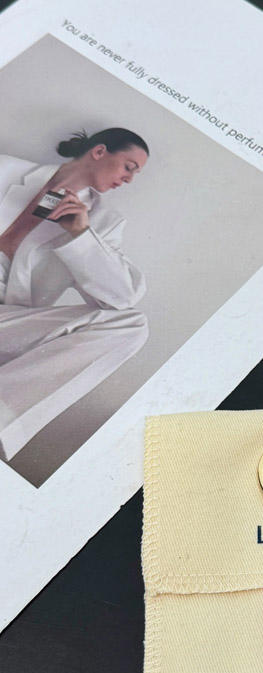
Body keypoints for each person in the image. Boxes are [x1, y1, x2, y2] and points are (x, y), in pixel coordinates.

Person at [0, 128, 149, 461]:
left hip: (7, 324)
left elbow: (122, 299)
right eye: (128, 166)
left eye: (135, 174)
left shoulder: (104, 222)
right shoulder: (5, 168)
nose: (129, 179)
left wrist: (81, 233)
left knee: (132, 325)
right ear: (99, 151)